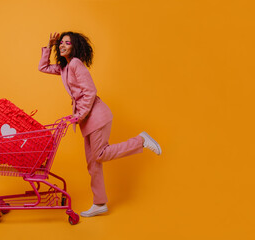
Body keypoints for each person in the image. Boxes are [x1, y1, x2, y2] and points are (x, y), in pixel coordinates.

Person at [38, 32, 162, 217]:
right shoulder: (64, 67)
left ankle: (140, 140)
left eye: (67, 43)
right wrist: (49, 45)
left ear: (75, 47)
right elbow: (43, 67)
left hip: (97, 116)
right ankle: (100, 203)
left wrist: (79, 115)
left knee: (100, 155)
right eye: (61, 43)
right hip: (87, 120)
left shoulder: (76, 64)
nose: (62, 46)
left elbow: (90, 92)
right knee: (93, 164)